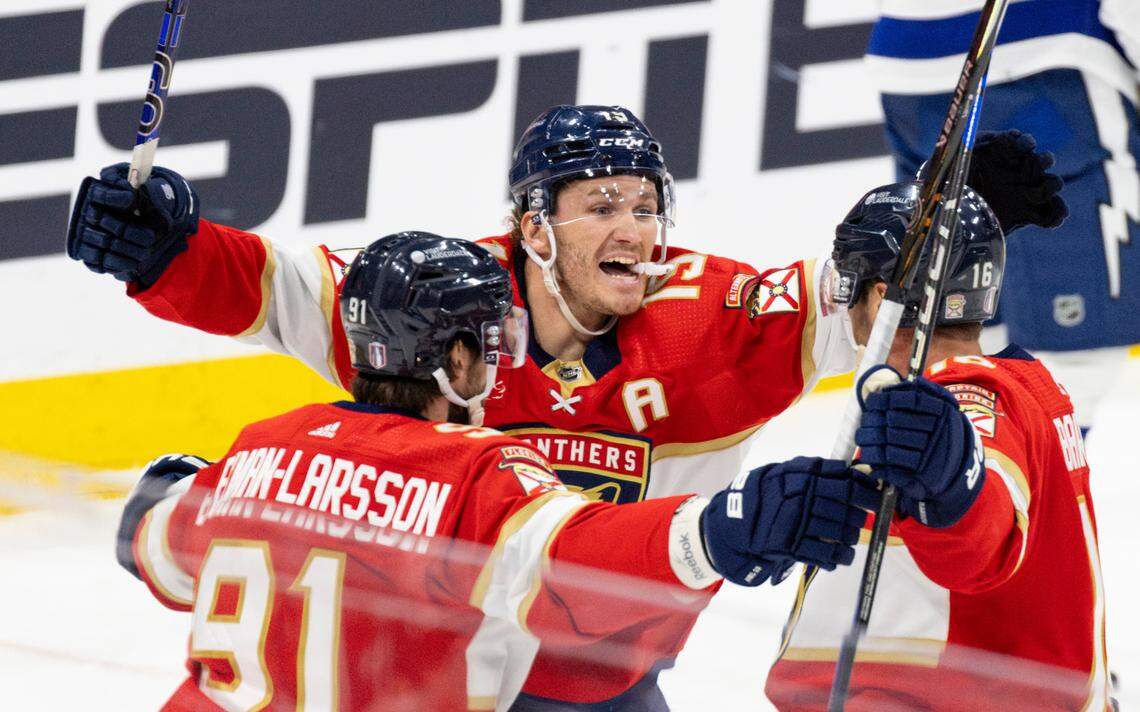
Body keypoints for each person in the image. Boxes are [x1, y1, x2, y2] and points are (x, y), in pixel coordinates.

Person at [67, 105, 1059, 708]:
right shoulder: (448, 309)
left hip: (613, 682)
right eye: (603, 204)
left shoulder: (718, 319)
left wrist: (943, 219)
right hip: (452, 683)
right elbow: (274, 284)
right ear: (532, 227)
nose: (635, 227)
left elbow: (867, 288)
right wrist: (161, 248)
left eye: (646, 204)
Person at [115, 231, 880, 710]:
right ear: (455, 359)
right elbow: (577, 567)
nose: (504, 358)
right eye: (490, 342)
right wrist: (723, 529)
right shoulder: (476, 474)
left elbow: (153, 545)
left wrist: (159, 497)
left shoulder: (254, 452)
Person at [765, 182, 1111, 710]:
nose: (840, 299)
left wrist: (951, 484)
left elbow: (983, 529)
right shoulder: (1022, 382)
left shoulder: (964, 400)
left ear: (882, 297)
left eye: (848, 279)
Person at [865, 0, 1140, 434]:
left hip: (905, 58)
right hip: (1046, 52)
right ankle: (1030, 480)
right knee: (1077, 346)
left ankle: (966, 466)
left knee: (958, 298)